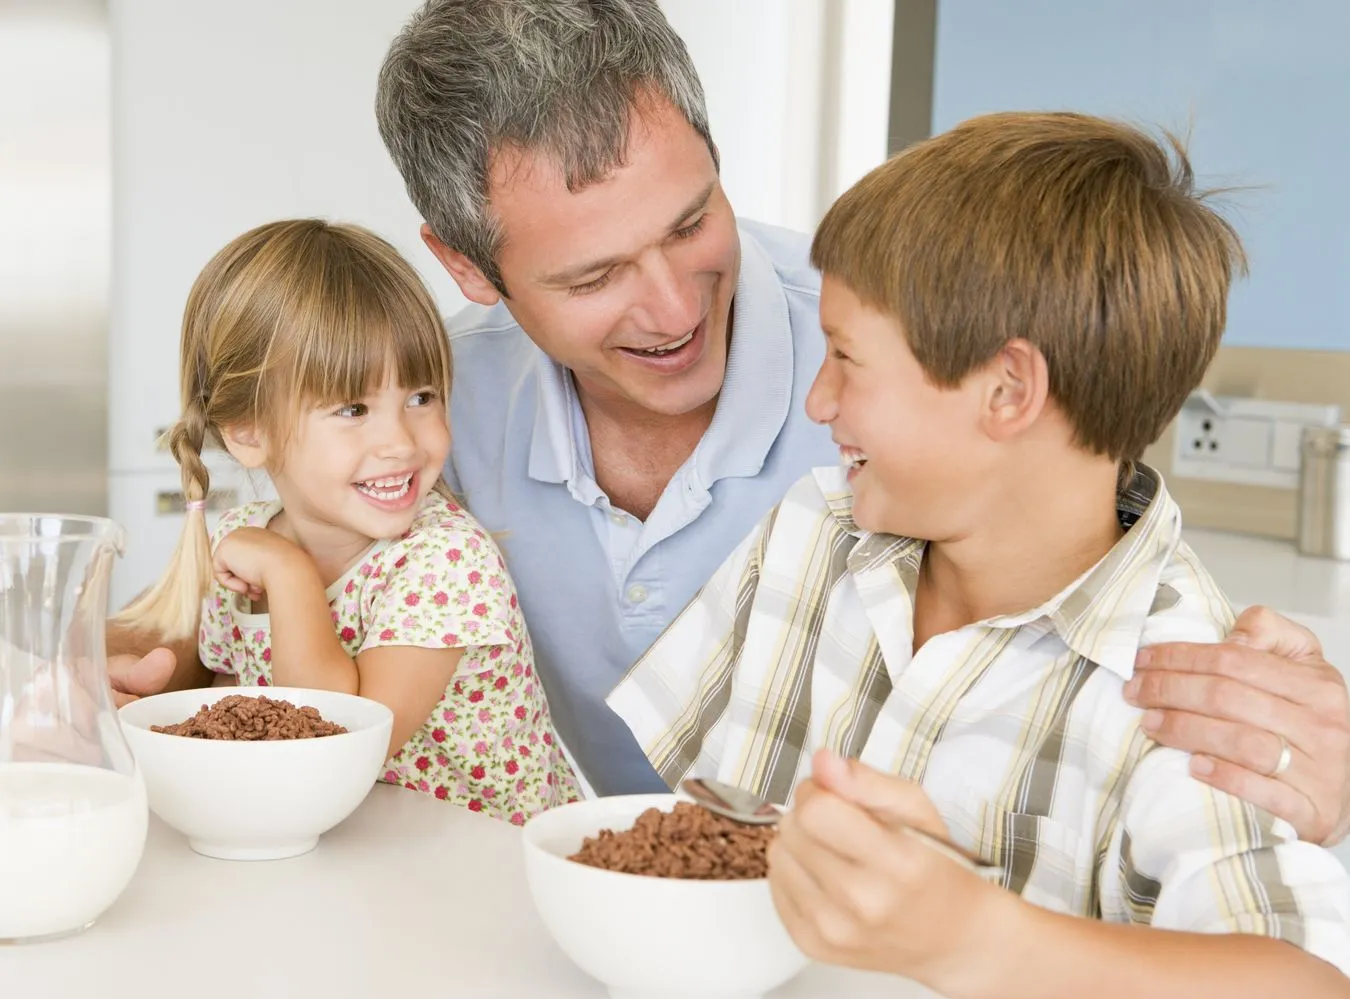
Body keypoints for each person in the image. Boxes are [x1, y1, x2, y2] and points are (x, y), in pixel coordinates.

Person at [112, 0, 1350, 839]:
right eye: (593, 277)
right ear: (470, 268)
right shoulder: (429, 409)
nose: (670, 309)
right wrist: (188, 660)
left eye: (691, 221)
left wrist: (1281, 717)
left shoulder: (902, 368)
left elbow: (1100, 550)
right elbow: (319, 595)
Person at [607, 112, 1350, 993]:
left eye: (846, 356)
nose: (818, 399)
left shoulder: (1190, 694)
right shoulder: (814, 531)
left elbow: (1305, 979)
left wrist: (977, 938)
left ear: (1007, 389)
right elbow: (690, 831)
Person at [111, 219, 578, 823]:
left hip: (485, 870)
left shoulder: (447, 560)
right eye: (354, 408)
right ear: (250, 433)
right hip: (351, 854)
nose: (399, 441)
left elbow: (331, 741)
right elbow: (229, 712)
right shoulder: (245, 540)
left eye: (422, 396)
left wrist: (289, 574)